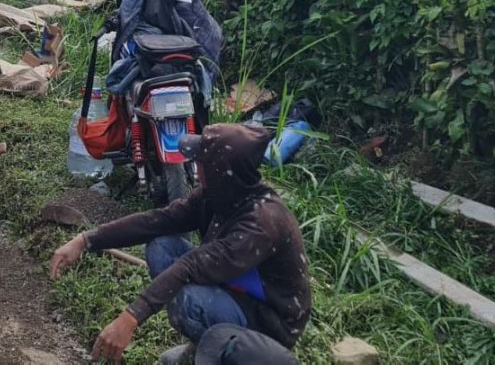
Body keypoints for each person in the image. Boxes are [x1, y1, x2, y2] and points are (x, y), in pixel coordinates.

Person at [50, 124, 311, 364]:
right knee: (162, 246)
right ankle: (203, 342)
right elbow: (158, 221)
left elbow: (191, 266)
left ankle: (225, 351)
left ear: (221, 168)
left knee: (188, 299)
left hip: (267, 326)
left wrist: (130, 317)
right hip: (233, 291)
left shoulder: (261, 222)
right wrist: (86, 240)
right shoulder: (218, 196)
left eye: (202, 161)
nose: (196, 166)